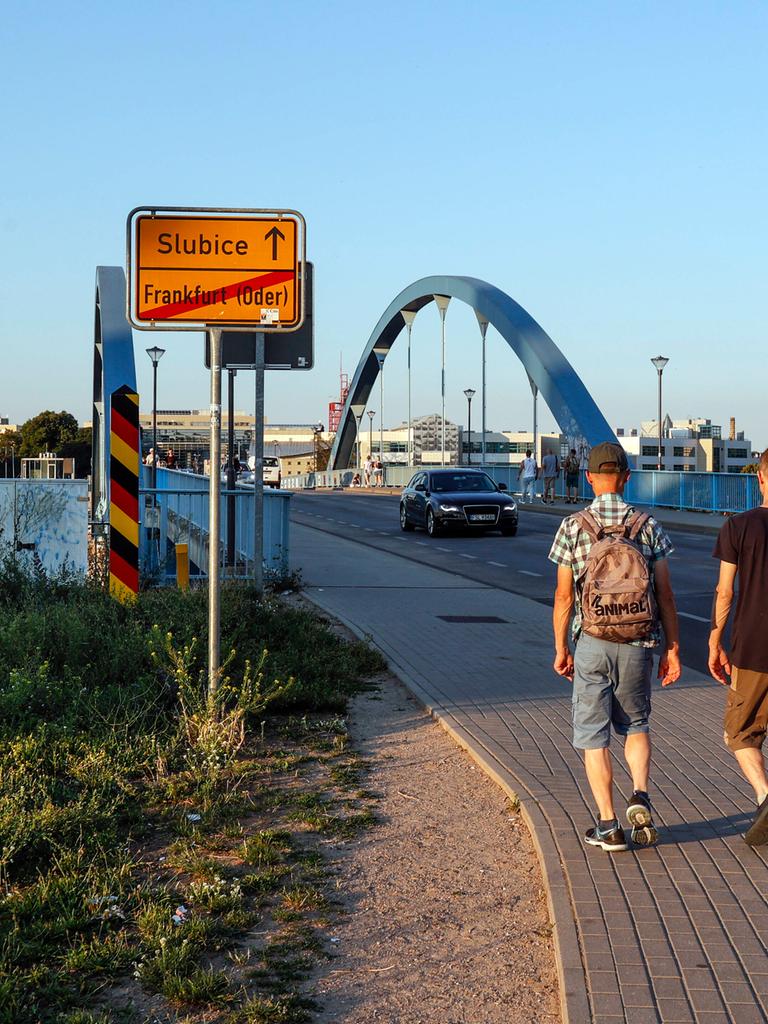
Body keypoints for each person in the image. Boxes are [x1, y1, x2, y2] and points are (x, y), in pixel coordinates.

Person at [549, 441, 681, 852]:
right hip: (639, 642)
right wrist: (672, 648)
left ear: (589, 477)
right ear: (626, 478)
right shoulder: (647, 525)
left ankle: (608, 826)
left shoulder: (574, 526)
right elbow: (665, 594)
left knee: (594, 735)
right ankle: (639, 793)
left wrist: (561, 648)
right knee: (636, 725)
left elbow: (564, 596)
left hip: (593, 641)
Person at [708, 447, 768, 846]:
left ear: (760, 477)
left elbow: (725, 591)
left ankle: (765, 796)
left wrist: (715, 639)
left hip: (754, 646)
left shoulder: (739, 526)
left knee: (740, 733)